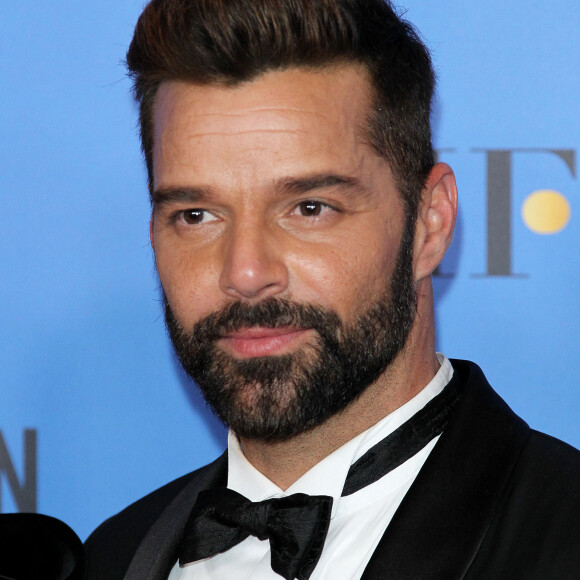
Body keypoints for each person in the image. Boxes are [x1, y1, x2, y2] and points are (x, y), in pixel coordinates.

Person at [84, 0, 580, 578]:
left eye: (309, 208)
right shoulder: (114, 553)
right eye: (196, 215)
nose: (244, 273)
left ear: (429, 223)